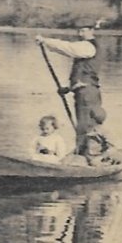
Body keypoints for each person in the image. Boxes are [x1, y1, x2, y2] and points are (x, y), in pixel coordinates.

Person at [38, 26, 108, 156]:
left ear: (92, 30)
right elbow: (82, 74)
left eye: (83, 30)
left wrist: (46, 41)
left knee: (84, 126)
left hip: (86, 94)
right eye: (79, 30)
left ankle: (86, 156)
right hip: (87, 92)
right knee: (86, 125)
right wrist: (67, 89)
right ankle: (85, 153)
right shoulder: (87, 49)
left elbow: (69, 48)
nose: (80, 33)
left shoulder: (89, 46)